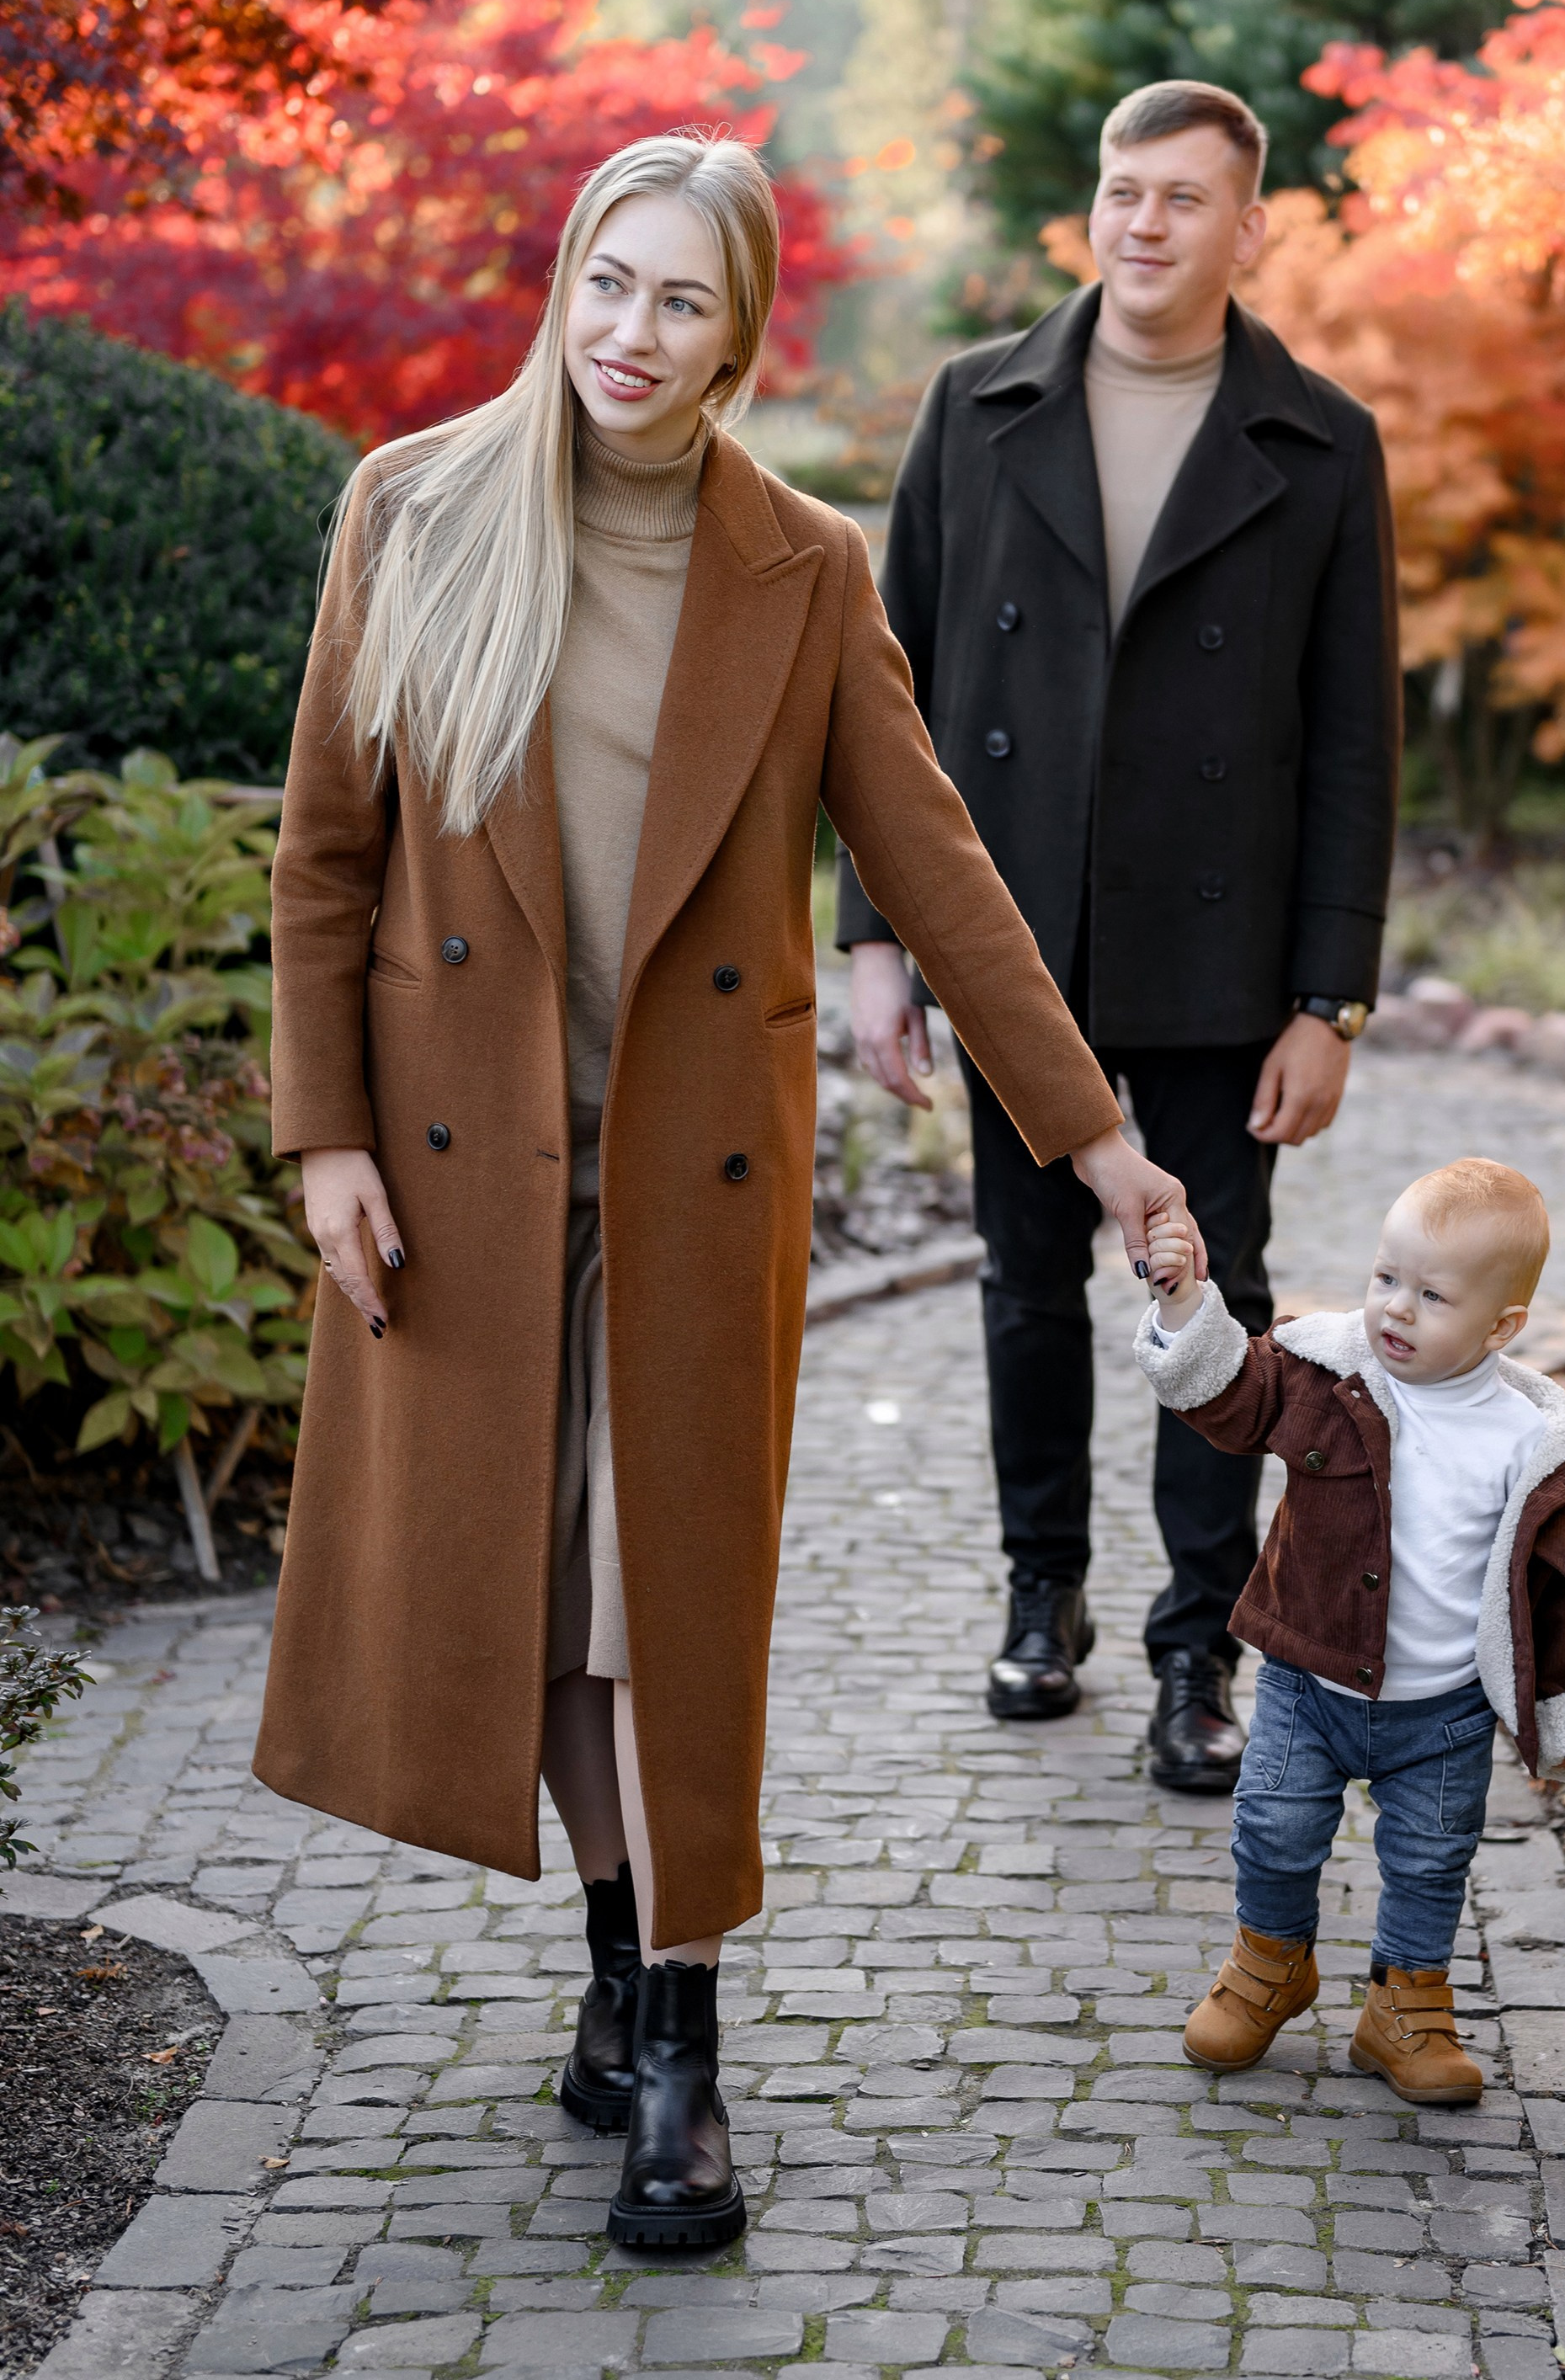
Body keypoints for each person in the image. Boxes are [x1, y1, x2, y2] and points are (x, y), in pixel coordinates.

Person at [255, 130, 1204, 2255]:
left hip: (694, 1176)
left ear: (738, 332)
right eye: (611, 279)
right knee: (544, 1604)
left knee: (656, 1609)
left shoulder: (798, 567)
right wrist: (321, 1136)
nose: (632, 331)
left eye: (684, 299)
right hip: (453, 1174)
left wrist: (1098, 1137)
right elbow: (324, 856)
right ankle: (617, 1943)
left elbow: (936, 870)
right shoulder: (411, 514)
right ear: (564, 279)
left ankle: (677, 2032)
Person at [837, 77, 1400, 1792]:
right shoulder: (978, 407)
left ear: (1249, 226)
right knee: (1024, 1293)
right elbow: (885, 694)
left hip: (1220, 973)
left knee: (1210, 1304)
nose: (1142, 223)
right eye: (1120, 190)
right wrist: (877, 937)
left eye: (1181, 198)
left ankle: (1196, 1649)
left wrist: (1332, 999)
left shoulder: (1319, 443)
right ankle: (1042, 1598)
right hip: (1018, 944)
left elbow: (1354, 739)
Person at [1137, 1159, 1565, 2102]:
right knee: (1273, 1830)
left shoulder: (1532, 1446)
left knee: (1431, 1858)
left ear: (1502, 1326)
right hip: (1309, 1682)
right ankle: (1270, 1964)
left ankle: (1404, 2005)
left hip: (1441, 1711)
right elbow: (1230, 1394)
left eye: (1432, 1295)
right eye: (1385, 1277)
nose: (1395, 1309)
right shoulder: (1326, 1378)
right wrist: (1184, 1304)